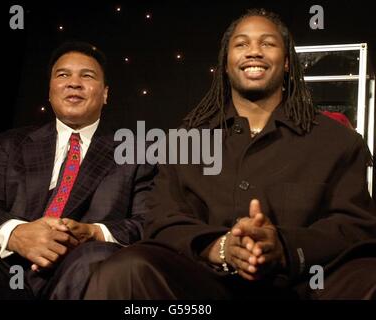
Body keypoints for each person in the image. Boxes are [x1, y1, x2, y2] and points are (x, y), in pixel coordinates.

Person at [84, 9, 376, 300]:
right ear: (225, 63)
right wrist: (218, 247)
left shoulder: (337, 141)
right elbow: (162, 219)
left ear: (287, 62)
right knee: (126, 270)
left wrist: (284, 247)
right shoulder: (185, 141)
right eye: (242, 44)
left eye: (267, 43)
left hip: (303, 287)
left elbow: (354, 227)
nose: (254, 52)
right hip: (203, 289)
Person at [0, 41, 155, 299]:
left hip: (80, 269)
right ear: (50, 91)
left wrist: (93, 233)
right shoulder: (8, 143)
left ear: (106, 93)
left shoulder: (137, 152)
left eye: (87, 76)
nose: (74, 83)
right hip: (3, 268)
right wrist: (17, 234)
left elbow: (147, 224)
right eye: (63, 75)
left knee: (100, 259)